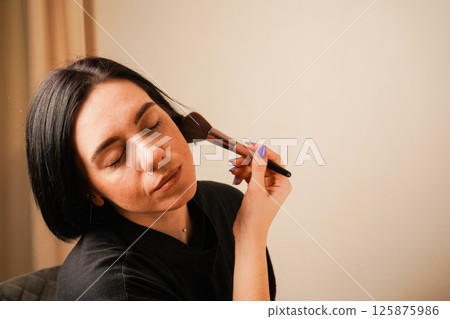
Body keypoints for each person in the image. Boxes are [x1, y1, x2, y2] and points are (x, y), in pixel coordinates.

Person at [26, 57, 291, 300]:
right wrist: (249, 236)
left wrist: (248, 229)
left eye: (153, 125)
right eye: (117, 157)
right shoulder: (111, 288)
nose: (154, 154)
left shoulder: (228, 203)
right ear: (89, 190)